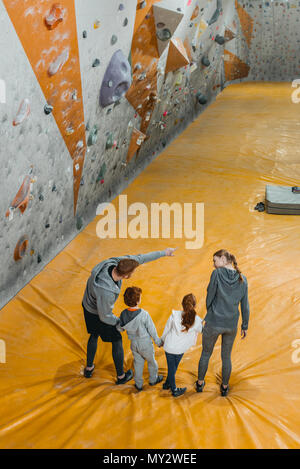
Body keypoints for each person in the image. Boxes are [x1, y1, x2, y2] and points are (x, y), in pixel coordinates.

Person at [82, 248, 176, 384]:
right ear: (125, 276)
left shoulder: (115, 262)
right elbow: (105, 316)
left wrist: (164, 253)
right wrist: (122, 322)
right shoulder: (106, 291)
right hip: (97, 312)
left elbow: (141, 257)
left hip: (88, 303)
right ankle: (121, 377)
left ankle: (89, 368)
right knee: (117, 339)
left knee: (94, 334)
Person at [196, 249, 250, 396]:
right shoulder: (242, 279)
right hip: (231, 325)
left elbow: (209, 296)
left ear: (224, 259)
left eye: (215, 260)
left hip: (214, 322)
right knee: (226, 357)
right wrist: (244, 325)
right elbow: (245, 305)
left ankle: (200, 383)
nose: (213, 265)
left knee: (206, 354)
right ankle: (224, 387)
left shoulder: (217, 274)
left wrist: (211, 313)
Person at [117, 286, 163, 391]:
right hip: (145, 343)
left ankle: (138, 384)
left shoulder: (123, 314)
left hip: (134, 344)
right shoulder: (144, 314)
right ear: (138, 300)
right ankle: (153, 379)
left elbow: (120, 328)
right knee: (151, 362)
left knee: (138, 363)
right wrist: (158, 341)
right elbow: (152, 329)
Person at [161, 293, 203, 397]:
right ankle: (174, 389)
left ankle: (167, 383)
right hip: (180, 349)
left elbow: (167, 329)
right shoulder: (197, 320)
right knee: (173, 368)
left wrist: (162, 340)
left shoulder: (174, 315)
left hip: (169, 346)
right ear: (195, 306)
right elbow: (203, 331)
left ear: (182, 305)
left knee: (172, 368)